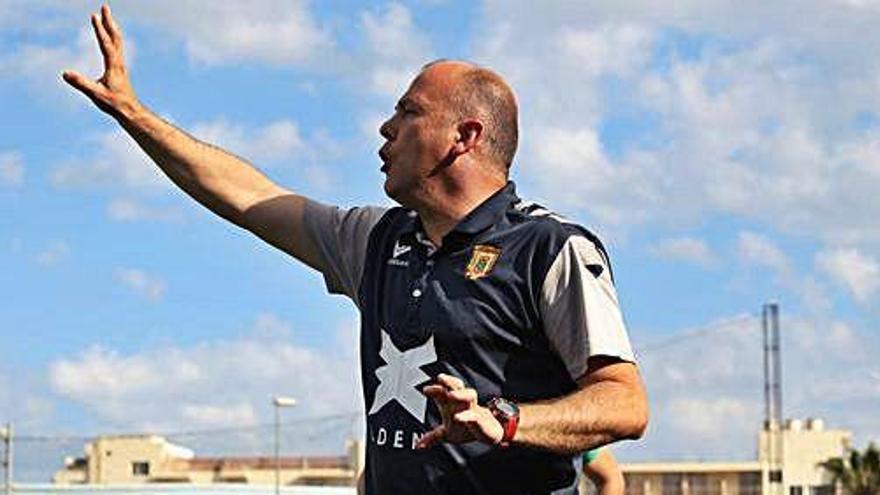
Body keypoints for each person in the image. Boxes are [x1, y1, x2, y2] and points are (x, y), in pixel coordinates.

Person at [63, 5, 649, 494]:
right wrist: (135, 115)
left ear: (464, 137)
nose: (384, 127)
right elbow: (248, 197)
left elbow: (625, 406)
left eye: (409, 111)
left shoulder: (551, 249)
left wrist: (506, 419)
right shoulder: (378, 240)